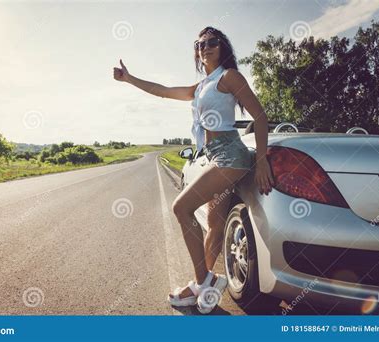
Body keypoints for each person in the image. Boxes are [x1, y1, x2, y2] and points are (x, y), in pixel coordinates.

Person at [113, 26, 274, 314]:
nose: (205, 47)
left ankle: (206, 280)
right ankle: (202, 286)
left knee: (181, 208)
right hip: (215, 156)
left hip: (231, 156)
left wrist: (261, 160)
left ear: (222, 47)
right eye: (200, 44)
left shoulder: (229, 77)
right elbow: (162, 91)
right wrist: (129, 79)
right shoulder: (201, 87)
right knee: (214, 224)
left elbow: (260, 116)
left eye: (212, 42)